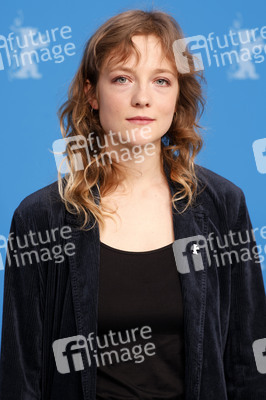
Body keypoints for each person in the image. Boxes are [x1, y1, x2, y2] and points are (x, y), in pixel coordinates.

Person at [0, 8, 266, 400]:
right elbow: (20, 376)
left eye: (161, 80)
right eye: (122, 78)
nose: (142, 98)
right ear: (91, 93)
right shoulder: (40, 218)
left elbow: (249, 364)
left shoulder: (223, 206)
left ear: (178, 96)